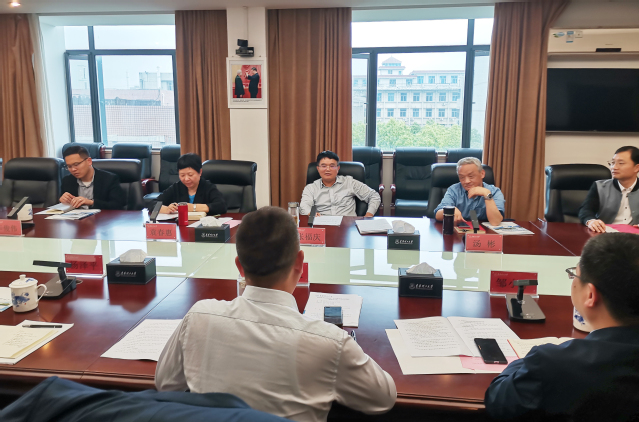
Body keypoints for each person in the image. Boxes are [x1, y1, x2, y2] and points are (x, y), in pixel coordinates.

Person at [155, 207, 396, 422]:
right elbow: (384, 398)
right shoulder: (329, 342)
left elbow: (165, 384)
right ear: (299, 263)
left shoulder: (198, 316)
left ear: (239, 266)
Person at [484, 233, 639, 421]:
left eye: (574, 275)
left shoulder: (551, 364)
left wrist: (527, 360)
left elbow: (498, 400)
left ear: (590, 295)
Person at [300, 150, 381, 217]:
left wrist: (368, 216)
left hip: (348, 226)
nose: (328, 169)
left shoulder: (349, 182)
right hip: (323, 224)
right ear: (318, 168)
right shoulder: (310, 188)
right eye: (323, 166)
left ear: (338, 168)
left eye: (332, 166)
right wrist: (310, 214)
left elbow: (374, 196)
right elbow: (304, 207)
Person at [578, 146, 639, 233]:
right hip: (605, 235)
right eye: (613, 163)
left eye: (621, 163)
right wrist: (591, 221)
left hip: (634, 237)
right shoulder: (599, 186)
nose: (614, 167)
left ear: (636, 168)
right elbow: (585, 210)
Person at [434, 157, 505, 226]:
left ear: (482, 174)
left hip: (485, 232)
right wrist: (450, 210)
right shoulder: (454, 190)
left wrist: (487, 195)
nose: (466, 181)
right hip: (459, 230)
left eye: (471, 176)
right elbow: (437, 215)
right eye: (462, 177)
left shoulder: (494, 191)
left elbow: (495, 222)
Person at [156, 153, 226, 215]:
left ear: (200, 172)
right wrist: (167, 209)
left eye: (190, 175)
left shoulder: (208, 187)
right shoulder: (176, 187)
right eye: (182, 175)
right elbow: (152, 203)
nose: (186, 179)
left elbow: (221, 206)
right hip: (181, 224)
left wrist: (193, 207)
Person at [60, 145, 126, 210]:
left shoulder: (109, 179)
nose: (73, 169)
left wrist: (91, 202)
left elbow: (117, 206)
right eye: (69, 166)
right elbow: (63, 208)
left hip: (100, 216)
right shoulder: (67, 180)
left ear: (89, 161)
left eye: (76, 164)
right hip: (75, 217)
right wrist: (62, 201)